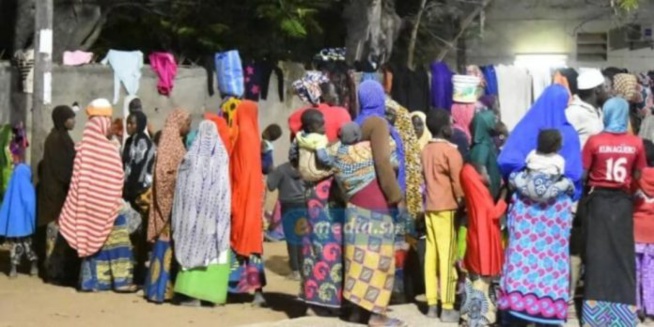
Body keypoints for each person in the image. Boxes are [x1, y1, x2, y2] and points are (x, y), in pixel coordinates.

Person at [497, 85, 582, 326]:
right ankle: (547, 312)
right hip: (556, 215)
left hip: (525, 212)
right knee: (552, 262)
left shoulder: (527, 128)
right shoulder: (568, 134)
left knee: (521, 258)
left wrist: (525, 180)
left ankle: (515, 309)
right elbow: (575, 174)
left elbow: (507, 160)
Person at [343, 80, 406, 327]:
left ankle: (357, 311)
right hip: (376, 199)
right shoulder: (378, 124)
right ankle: (377, 315)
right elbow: (382, 162)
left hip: (354, 200)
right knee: (379, 258)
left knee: (359, 256)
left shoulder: (355, 123)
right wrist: (395, 196)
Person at [288, 72, 351, 313]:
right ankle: (334, 299)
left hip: (309, 189)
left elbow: (294, 157)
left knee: (312, 242)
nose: (338, 94)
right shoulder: (341, 115)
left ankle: (312, 298)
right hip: (331, 188)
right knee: (333, 242)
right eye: (333, 90)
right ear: (323, 92)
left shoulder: (299, 119)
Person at [58, 98, 136, 292]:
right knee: (118, 241)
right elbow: (117, 178)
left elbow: (77, 180)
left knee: (89, 240)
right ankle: (120, 281)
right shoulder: (109, 149)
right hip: (109, 206)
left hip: (85, 206)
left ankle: (90, 282)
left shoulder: (82, 148)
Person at [581, 97, 645, 326]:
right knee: (622, 256)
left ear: (606, 114)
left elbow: (584, 172)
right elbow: (638, 175)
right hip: (622, 203)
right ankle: (623, 316)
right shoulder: (636, 143)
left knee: (597, 255)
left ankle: (593, 315)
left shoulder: (594, 141)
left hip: (598, 201)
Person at [172, 120, 231, 307]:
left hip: (192, 219)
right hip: (214, 218)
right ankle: (210, 295)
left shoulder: (190, 159)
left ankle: (191, 295)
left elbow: (182, 191)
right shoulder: (221, 157)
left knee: (192, 248)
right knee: (213, 252)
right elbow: (224, 190)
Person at [566, 69, 610, 311]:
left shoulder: (597, 111)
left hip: (594, 186)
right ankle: (569, 296)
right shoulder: (574, 113)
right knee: (576, 242)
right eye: (604, 88)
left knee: (587, 243)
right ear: (596, 91)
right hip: (579, 187)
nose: (607, 91)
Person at [144, 108, 191, 303]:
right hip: (169, 206)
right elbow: (164, 174)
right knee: (166, 249)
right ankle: (162, 291)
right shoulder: (172, 144)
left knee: (163, 249)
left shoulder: (173, 142)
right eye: (187, 123)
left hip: (171, 204)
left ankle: (156, 289)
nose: (189, 127)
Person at [421, 109, 464, 322]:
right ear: (446, 128)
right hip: (446, 207)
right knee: (447, 256)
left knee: (431, 255)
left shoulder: (426, 150)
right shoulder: (450, 152)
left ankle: (431, 304)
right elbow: (458, 183)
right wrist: (463, 200)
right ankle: (447, 306)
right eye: (451, 123)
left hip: (429, 206)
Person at [228, 100, 267, 306]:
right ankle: (258, 291)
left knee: (236, 242)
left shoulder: (238, 135)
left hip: (240, 198)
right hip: (253, 201)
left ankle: (234, 288)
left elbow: (234, 171)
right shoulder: (255, 137)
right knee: (254, 244)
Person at [459, 163, 507, 327]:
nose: (489, 175)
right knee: (483, 281)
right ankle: (478, 318)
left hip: (475, 238)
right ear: (479, 175)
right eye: (486, 171)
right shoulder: (480, 193)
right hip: (484, 241)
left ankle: (468, 316)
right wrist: (503, 197)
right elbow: (494, 213)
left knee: (474, 279)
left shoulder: (472, 191)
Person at [37, 105, 78, 286]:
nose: (73, 121)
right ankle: (53, 272)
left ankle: (59, 270)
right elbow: (63, 170)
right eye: (70, 118)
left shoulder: (62, 138)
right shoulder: (55, 140)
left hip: (60, 194)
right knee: (55, 236)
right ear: (62, 120)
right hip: (56, 197)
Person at [122, 111, 155, 285]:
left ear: (140, 124)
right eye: (128, 123)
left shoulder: (145, 143)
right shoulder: (129, 142)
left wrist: (131, 190)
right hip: (128, 193)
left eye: (132, 123)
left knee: (140, 236)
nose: (129, 127)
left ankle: (139, 275)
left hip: (140, 194)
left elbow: (140, 169)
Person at [266, 159, 306, 281]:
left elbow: (271, 186)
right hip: (304, 205)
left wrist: (271, 172)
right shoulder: (306, 168)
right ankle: (303, 269)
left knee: (291, 239)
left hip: (288, 206)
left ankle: (295, 271)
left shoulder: (281, 169)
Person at [0, 164, 37, 278]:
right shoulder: (28, 187)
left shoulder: (11, 187)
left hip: (14, 226)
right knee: (28, 245)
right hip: (25, 225)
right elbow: (31, 205)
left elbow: (5, 207)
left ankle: (13, 269)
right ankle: (33, 266)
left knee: (15, 246)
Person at [635, 140, 654, 324]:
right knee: (652, 273)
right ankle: (651, 312)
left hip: (635, 234)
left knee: (635, 271)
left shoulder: (635, 177)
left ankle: (636, 308)